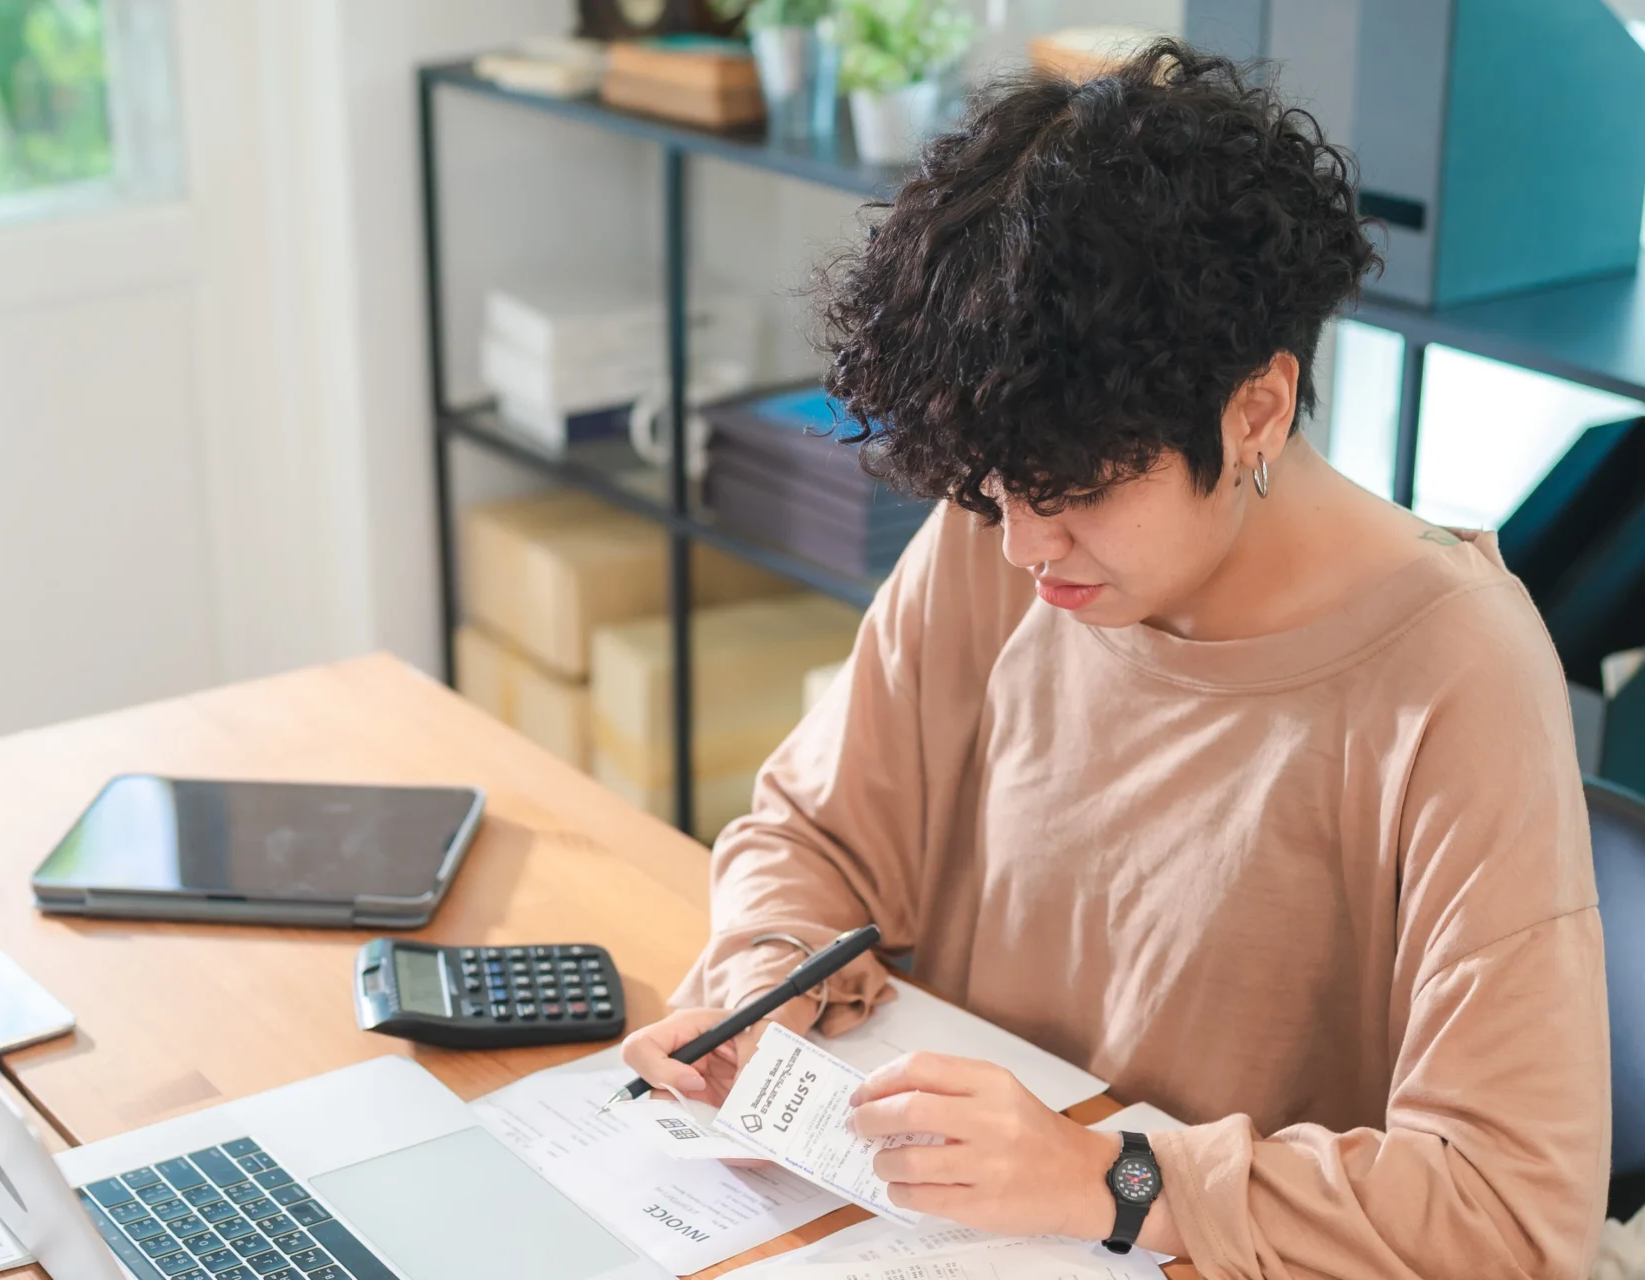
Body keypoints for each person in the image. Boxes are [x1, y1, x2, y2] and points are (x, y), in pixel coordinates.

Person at [620, 40, 1609, 1278]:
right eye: (990, 488)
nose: (1028, 546)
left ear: (1255, 408)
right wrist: (761, 981)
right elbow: (813, 833)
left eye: (1078, 491)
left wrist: (1113, 1174)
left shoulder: (1456, 670)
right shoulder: (1005, 524)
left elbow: (1512, 1210)